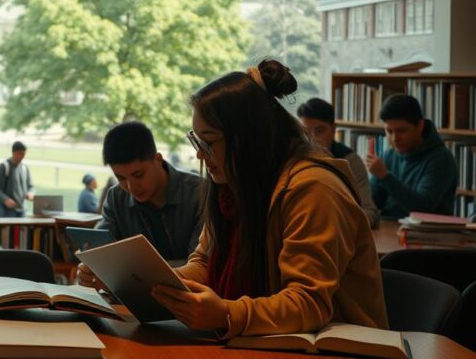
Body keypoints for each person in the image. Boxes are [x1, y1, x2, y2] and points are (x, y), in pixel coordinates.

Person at [145, 60, 386, 337]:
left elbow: (308, 304)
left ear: (248, 139)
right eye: (197, 141)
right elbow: (205, 262)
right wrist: (159, 283)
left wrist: (225, 313)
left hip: (334, 348)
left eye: (209, 142)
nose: (200, 154)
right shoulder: (235, 184)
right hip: (264, 341)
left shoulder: (313, 189)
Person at [91, 121, 203, 262]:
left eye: (138, 175)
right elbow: (100, 250)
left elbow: (200, 263)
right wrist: (91, 267)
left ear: (158, 159)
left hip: (193, 283)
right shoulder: (116, 197)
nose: (131, 187)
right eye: (121, 178)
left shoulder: (200, 193)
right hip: (134, 283)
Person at [367, 94, 458, 218]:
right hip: (387, 230)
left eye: (401, 131)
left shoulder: (441, 158)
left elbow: (423, 207)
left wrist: (385, 176)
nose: (395, 138)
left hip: (427, 234)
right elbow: (372, 203)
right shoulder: (388, 155)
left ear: (420, 126)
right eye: (389, 131)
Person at [297, 98, 381, 227]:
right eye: (306, 133)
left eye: (320, 131)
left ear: (333, 129)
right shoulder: (293, 161)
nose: (312, 139)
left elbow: (370, 213)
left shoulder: (350, 161)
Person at [0, 141, 34, 217]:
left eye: (23, 154)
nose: (22, 156)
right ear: (14, 153)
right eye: (20, 154)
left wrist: (30, 192)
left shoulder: (24, 168)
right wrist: (5, 199)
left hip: (22, 210)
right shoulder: (3, 167)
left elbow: (30, 186)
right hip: (6, 211)